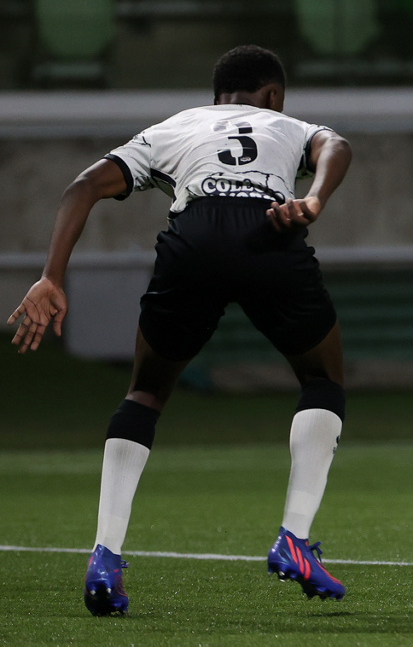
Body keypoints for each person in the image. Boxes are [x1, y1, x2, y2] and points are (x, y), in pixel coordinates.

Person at [8, 45, 353, 615]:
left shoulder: (175, 127)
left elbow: (83, 187)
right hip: (269, 230)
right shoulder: (287, 125)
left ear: (216, 97)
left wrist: (51, 276)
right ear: (273, 95)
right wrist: (312, 199)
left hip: (194, 236)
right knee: (323, 380)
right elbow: (336, 145)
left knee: (144, 393)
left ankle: (104, 555)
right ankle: (293, 538)